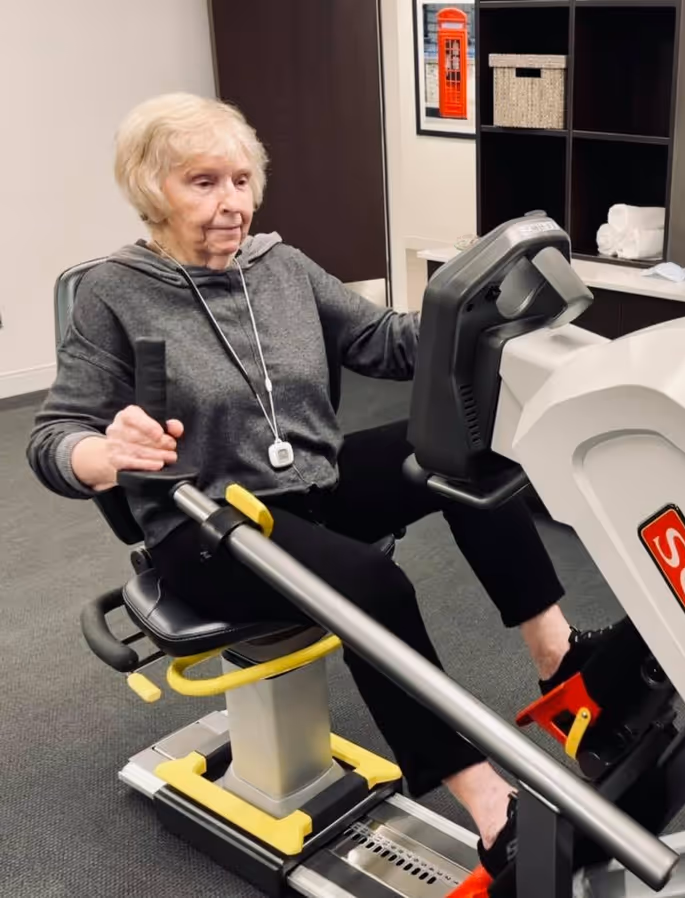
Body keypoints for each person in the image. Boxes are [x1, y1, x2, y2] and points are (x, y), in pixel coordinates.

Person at [26, 92, 611, 877]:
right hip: (200, 525)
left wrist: (476, 314)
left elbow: (384, 341)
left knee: (456, 448)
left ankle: (557, 659)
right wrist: (99, 454)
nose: (231, 202)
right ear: (150, 189)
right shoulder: (116, 295)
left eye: (240, 180)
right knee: (373, 582)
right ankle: (488, 803)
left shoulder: (281, 265)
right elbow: (52, 436)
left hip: (308, 483)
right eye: (203, 182)